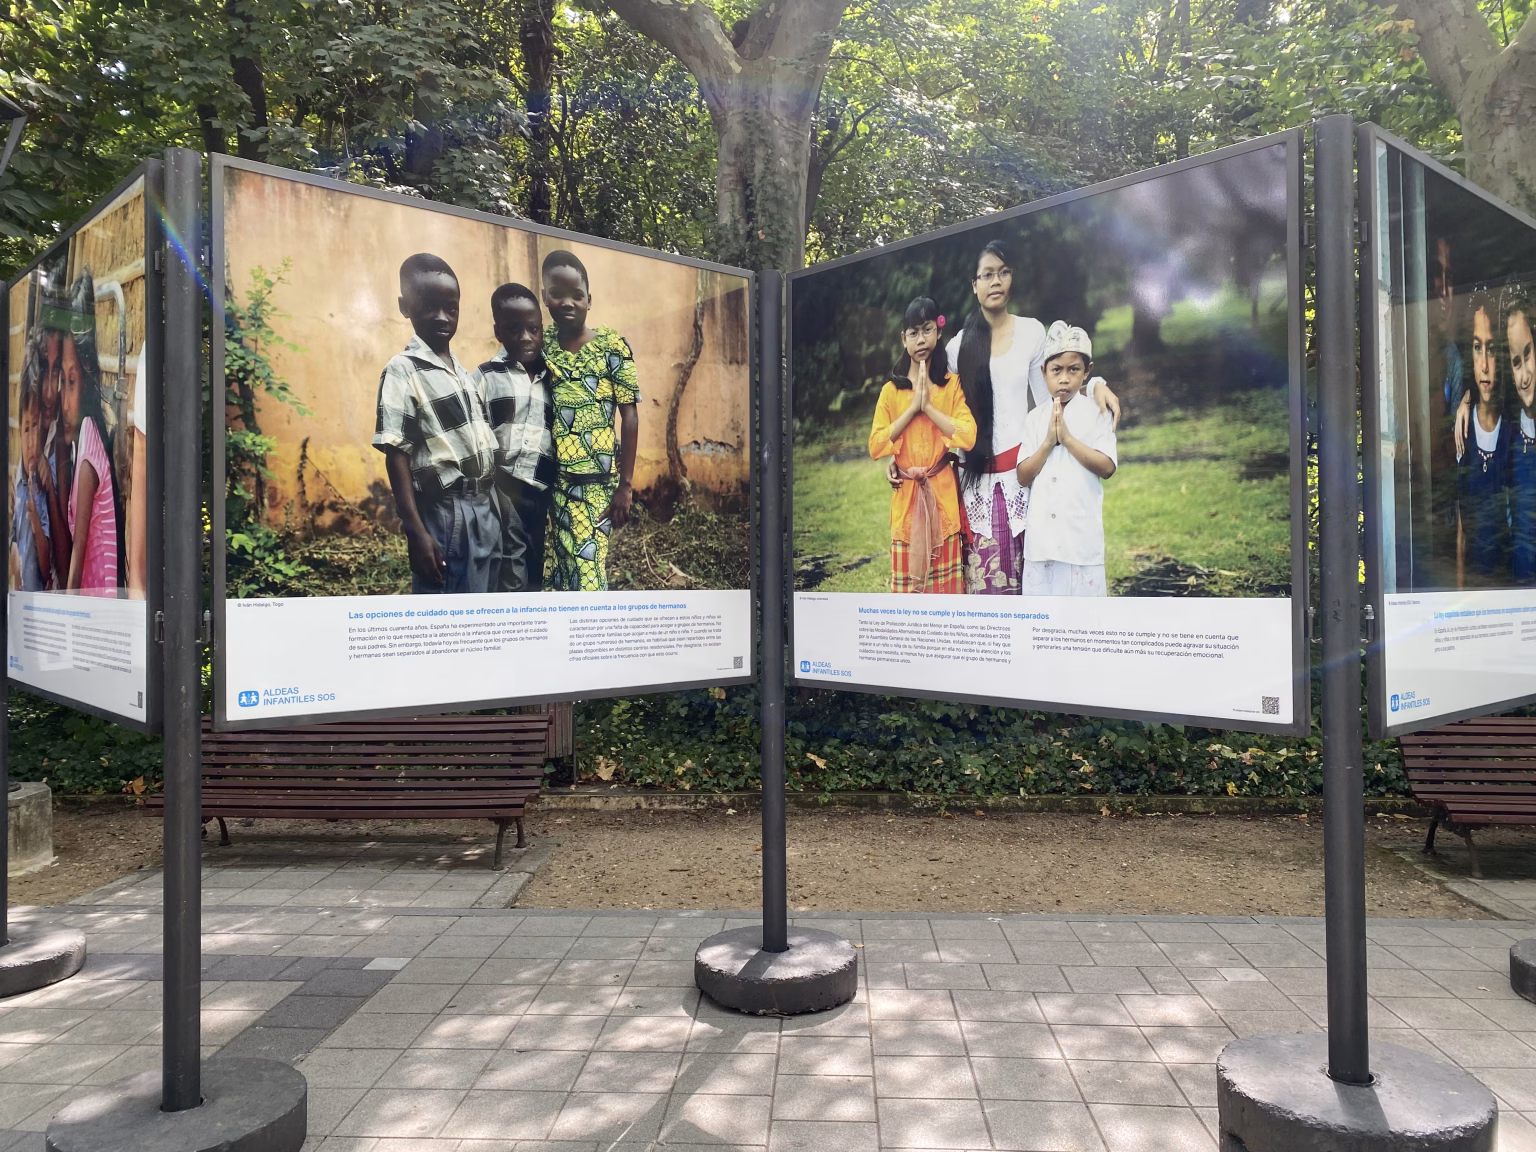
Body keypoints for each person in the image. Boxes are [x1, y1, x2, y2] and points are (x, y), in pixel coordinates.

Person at [923, 240, 1119, 594]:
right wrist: (900, 459)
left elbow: (1056, 389)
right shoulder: (957, 347)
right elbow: (932, 404)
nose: (995, 281)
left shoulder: (1031, 332)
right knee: (986, 593)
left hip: (1024, 480)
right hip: (975, 482)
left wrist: (1096, 386)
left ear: (1012, 278)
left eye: (1003, 272)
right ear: (974, 285)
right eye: (987, 275)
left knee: (1034, 588)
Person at [373, 253, 500, 594]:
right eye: (430, 307)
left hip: (485, 506)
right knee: (448, 611)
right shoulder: (403, 370)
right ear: (405, 307)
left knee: (483, 610)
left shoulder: (462, 373)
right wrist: (415, 532)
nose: (442, 317)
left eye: (451, 308)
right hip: (448, 514)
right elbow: (396, 454)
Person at [540, 249, 639, 592]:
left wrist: (626, 486)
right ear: (545, 297)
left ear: (589, 300)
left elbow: (630, 415)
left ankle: (593, 627)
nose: (567, 303)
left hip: (597, 487)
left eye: (577, 295)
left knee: (589, 578)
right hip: (556, 486)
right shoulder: (541, 346)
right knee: (563, 573)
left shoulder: (612, 347)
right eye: (557, 294)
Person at [868, 297, 977, 594]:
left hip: (943, 500)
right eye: (913, 333)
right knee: (908, 602)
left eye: (927, 330)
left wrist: (928, 407)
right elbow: (876, 445)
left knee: (945, 600)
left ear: (938, 332)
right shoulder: (891, 391)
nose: (921, 340)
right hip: (906, 503)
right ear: (903, 339)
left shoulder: (951, 385)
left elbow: (968, 435)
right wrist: (912, 409)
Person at [1016, 322, 1117, 597]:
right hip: (1042, 544)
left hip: (1080, 541)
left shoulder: (1097, 412)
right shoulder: (1035, 418)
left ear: (1087, 371)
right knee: (1043, 615)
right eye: (1056, 370)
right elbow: (1023, 475)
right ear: (1043, 372)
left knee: (1082, 616)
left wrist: (1069, 440)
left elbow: (1107, 467)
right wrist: (1049, 442)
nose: (1064, 378)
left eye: (1073, 370)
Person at [475, 283, 556, 592]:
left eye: (533, 329)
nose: (525, 337)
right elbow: (477, 434)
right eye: (514, 329)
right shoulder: (485, 377)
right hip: (501, 488)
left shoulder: (554, 378)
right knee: (506, 566)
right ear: (498, 331)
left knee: (533, 563)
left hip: (540, 490)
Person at [56, 273, 119, 596]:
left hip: (96, 606)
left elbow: (77, 559)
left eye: (71, 382)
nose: (63, 401)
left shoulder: (88, 453)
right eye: (61, 382)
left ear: (88, 374)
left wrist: (66, 612)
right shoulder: (88, 435)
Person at [1456, 290, 1512, 586]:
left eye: (1491, 349)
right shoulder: (1462, 430)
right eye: (1478, 348)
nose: (1485, 365)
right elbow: (1461, 529)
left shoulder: (1513, 430)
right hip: (1474, 588)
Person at [11, 336, 54, 592]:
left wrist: (36, 520)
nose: (30, 441)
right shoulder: (19, 478)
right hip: (21, 599)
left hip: (39, 602)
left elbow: (46, 565)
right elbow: (15, 537)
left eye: (35, 425)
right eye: (26, 428)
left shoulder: (42, 482)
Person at [1506, 285, 1536, 583]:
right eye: (1516, 363)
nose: (1525, 375)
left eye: (1528, 354)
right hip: (1520, 584)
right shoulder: (1509, 437)